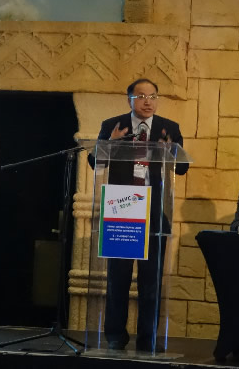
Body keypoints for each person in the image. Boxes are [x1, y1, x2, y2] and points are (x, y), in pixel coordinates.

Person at [87, 78, 189, 352]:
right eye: (141, 96)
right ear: (129, 99)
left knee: (150, 281)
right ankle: (115, 336)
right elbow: (96, 163)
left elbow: (181, 169)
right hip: (121, 209)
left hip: (154, 211)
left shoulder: (169, 128)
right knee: (118, 278)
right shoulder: (113, 125)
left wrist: (171, 152)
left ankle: (147, 339)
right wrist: (109, 144)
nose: (147, 101)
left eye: (153, 96)